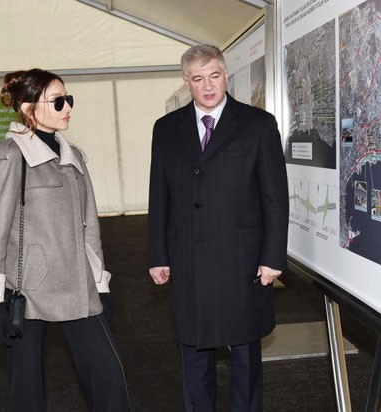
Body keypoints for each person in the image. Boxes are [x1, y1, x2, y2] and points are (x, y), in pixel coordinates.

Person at [0, 68, 131, 411]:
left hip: (78, 285)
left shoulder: (75, 156)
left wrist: (99, 284)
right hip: (26, 289)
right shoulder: (10, 155)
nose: (67, 107)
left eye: (68, 99)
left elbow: (90, 228)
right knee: (26, 388)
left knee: (108, 372)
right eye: (58, 102)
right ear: (28, 108)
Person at [148, 45, 289, 411]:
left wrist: (273, 257)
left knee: (245, 357)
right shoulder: (166, 129)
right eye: (198, 79)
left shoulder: (258, 124)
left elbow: (275, 197)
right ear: (187, 82)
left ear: (226, 75)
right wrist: (158, 254)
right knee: (194, 354)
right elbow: (159, 196)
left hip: (241, 260)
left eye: (214, 76)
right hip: (188, 258)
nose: (208, 86)